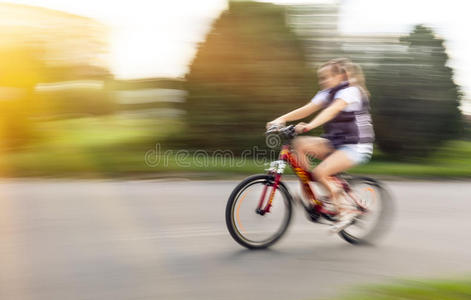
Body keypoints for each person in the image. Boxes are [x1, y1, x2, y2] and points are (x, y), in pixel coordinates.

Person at [266, 58, 375, 232]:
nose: (322, 81)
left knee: (319, 173)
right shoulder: (326, 93)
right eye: (320, 78)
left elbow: (331, 111)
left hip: (356, 146)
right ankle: (309, 195)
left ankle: (345, 211)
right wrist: (282, 119)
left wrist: (309, 126)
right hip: (336, 142)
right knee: (299, 144)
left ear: (340, 76)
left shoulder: (351, 91)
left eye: (326, 77)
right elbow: (308, 108)